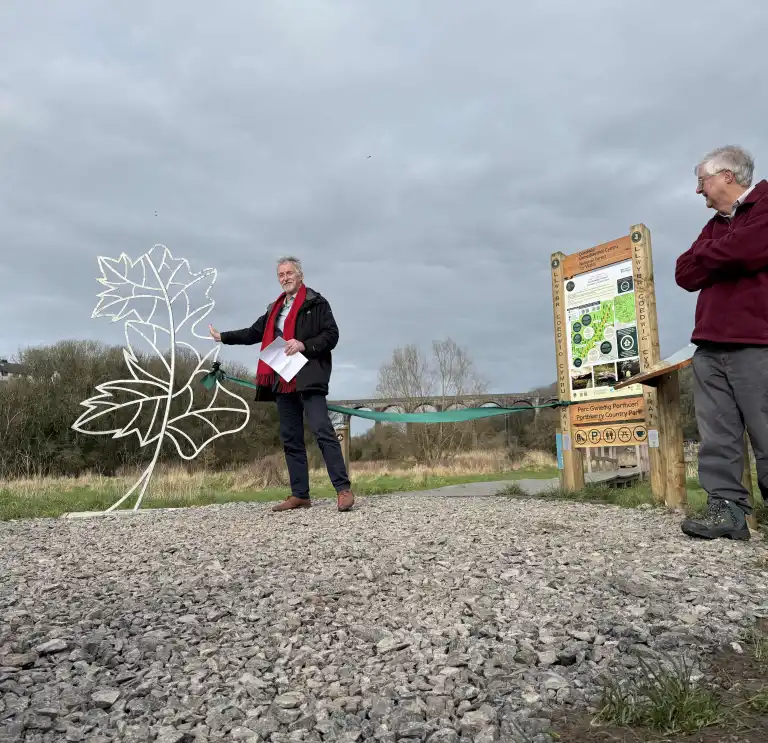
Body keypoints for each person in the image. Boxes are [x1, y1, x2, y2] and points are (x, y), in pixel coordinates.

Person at [209, 256, 355, 513]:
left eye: (289, 273)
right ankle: (300, 494)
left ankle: (343, 490)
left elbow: (332, 335)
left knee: (322, 430)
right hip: (282, 379)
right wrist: (223, 337)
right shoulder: (273, 308)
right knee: (290, 438)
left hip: (309, 376)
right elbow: (254, 333)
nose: (285, 278)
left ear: (300, 275)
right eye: (281, 275)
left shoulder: (317, 303)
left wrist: (303, 345)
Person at [675, 145, 768, 541]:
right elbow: (684, 271)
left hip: (757, 341)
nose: (699, 191)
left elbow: (750, 248)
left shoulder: (765, 206)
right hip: (710, 344)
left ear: (727, 176)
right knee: (716, 435)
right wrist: (721, 255)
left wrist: (710, 256)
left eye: (703, 181)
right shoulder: (715, 224)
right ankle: (726, 511)